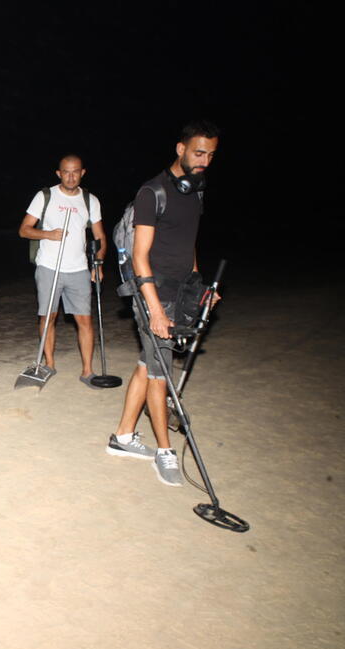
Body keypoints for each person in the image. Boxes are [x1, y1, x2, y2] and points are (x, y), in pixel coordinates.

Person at [105, 120, 220, 487]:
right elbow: (140, 258)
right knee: (160, 373)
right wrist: (155, 310)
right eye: (199, 152)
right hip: (153, 293)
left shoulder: (196, 192)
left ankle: (123, 437)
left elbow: (188, 246)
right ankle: (165, 452)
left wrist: (200, 287)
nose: (204, 160)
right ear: (180, 148)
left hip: (181, 290)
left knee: (147, 363)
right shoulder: (152, 193)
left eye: (211, 155)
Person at [18, 155, 106, 386]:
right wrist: (48, 234)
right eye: (66, 172)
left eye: (75, 171)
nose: (70, 176)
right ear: (58, 173)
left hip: (79, 269)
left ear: (82, 172)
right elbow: (24, 230)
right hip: (49, 266)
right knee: (49, 318)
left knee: (84, 320)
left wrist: (98, 263)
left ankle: (88, 371)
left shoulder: (90, 200)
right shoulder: (45, 196)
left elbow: (100, 237)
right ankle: (49, 364)